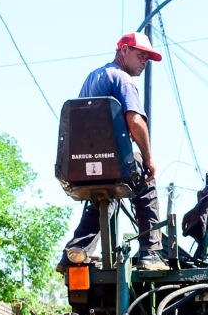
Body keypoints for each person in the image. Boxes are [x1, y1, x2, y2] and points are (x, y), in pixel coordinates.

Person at [64, 31, 167, 271]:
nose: (144, 62)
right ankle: (151, 252)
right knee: (145, 179)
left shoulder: (92, 77)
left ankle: (77, 250)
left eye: (147, 59)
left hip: (82, 164)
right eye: (141, 55)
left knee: (103, 197)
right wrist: (149, 160)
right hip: (112, 161)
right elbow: (135, 122)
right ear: (124, 51)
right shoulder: (122, 79)